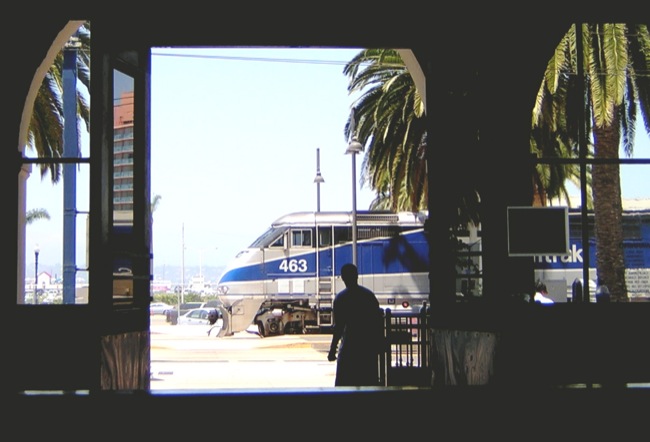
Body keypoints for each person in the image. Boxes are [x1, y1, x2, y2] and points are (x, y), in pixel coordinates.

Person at [327, 263, 385, 386]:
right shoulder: (368, 296)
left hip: (349, 349)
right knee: (368, 385)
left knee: (345, 387)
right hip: (367, 349)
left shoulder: (341, 299)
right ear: (357, 276)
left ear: (343, 278)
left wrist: (333, 350)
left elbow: (339, 327)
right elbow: (377, 322)